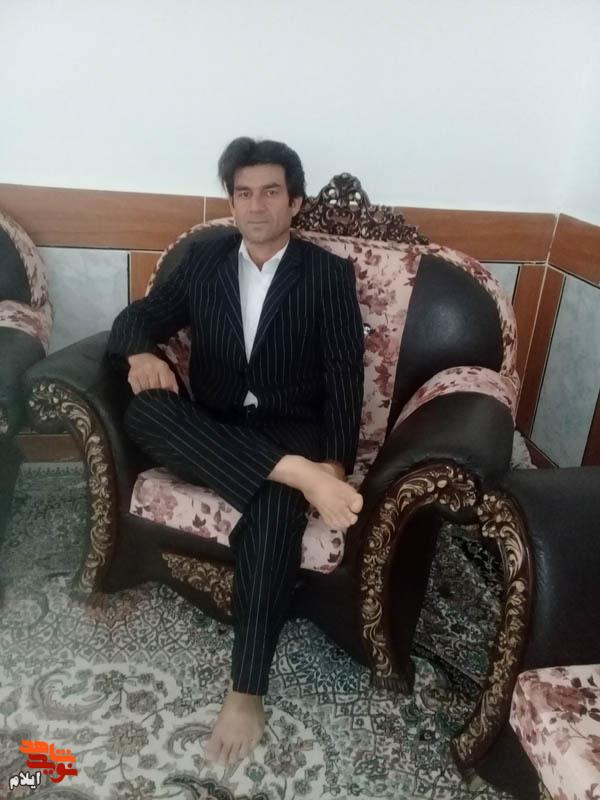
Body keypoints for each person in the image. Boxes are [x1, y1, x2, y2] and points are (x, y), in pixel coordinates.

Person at [107, 137, 365, 765]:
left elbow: (344, 373)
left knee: (276, 512)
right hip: (215, 423)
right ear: (231, 202)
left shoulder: (327, 274)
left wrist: (333, 463)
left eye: (271, 192)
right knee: (145, 410)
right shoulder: (204, 259)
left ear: (294, 202)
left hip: (290, 428)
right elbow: (138, 317)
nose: (256, 205)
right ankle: (292, 475)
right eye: (243, 193)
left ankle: (246, 690)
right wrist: (140, 353)